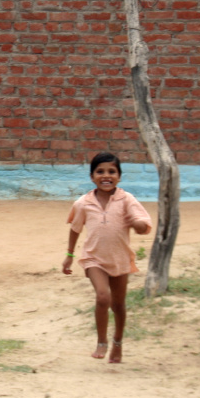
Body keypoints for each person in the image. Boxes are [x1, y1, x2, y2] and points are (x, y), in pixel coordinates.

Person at [61, 152, 152, 364]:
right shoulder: (83, 203)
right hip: (94, 260)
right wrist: (69, 255)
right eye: (100, 171)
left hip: (120, 259)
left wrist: (137, 224)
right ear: (92, 176)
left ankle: (117, 342)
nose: (106, 176)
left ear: (119, 176)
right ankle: (101, 341)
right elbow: (75, 228)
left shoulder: (126, 199)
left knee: (118, 305)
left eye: (112, 171)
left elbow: (142, 223)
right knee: (103, 297)